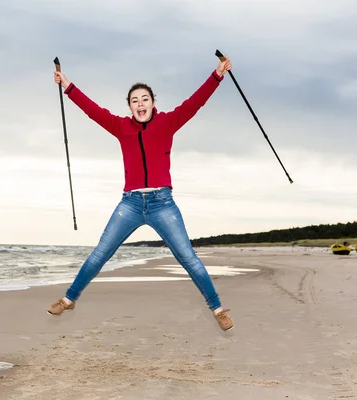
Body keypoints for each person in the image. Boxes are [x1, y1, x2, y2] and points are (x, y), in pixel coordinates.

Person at [47, 54, 234, 331]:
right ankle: (69, 299)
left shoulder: (168, 122)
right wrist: (67, 85)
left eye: (144, 99)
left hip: (163, 203)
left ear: (153, 102)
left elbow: (196, 102)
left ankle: (217, 309)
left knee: (189, 259)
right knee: (100, 253)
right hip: (131, 203)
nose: (140, 104)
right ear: (129, 106)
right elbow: (92, 110)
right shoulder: (121, 127)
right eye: (135, 101)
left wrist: (217, 75)